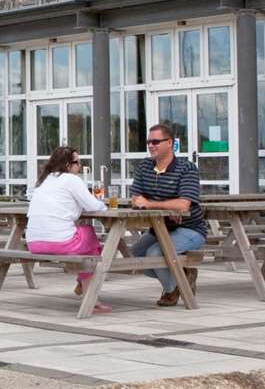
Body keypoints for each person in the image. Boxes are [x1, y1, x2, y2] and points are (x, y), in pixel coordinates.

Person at [24, 146, 111, 313]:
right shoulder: (72, 180)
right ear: (68, 165)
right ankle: (89, 295)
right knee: (90, 237)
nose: (79, 166)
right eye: (77, 162)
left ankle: (83, 282)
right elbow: (93, 205)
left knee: (83, 238)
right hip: (58, 243)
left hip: (34, 243)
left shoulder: (45, 180)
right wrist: (104, 205)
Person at [128, 121, 204, 307]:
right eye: (149, 142)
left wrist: (151, 204)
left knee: (155, 253)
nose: (151, 146)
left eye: (155, 142)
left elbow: (183, 205)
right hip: (159, 228)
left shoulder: (186, 169)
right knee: (135, 255)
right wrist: (164, 208)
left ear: (169, 142)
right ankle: (181, 278)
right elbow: (136, 198)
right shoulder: (145, 166)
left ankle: (172, 290)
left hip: (190, 228)